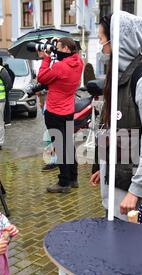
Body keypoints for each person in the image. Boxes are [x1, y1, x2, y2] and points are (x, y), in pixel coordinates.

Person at [89, 12, 142, 221]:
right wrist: (101, 166)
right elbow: (110, 127)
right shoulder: (117, 79)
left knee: (129, 243)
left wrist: (136, 190)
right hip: (115, 178)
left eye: (103, 41)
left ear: (121, 42)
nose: (102, 48)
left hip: (131, 186)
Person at [37, 37, 84, 193]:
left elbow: (42, 78)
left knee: (60, 147)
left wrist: (47, 57)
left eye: (58, 47)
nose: (55, 49)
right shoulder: (79, 63)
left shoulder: (60, 67)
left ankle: (64, 182)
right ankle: (73, 178)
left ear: (65, 49)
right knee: (69, 145)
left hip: (54, 112)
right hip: (68, 111)